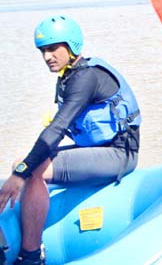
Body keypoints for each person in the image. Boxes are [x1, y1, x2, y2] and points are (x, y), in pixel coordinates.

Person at [0, 16, 141, 265]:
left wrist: (22, 173)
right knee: (22, 163)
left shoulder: (86, 77)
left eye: (53, 48)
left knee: (31, 168)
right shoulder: (69, 76)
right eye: (43, 50)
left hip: (118, 155)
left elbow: (58, 127)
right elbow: (58, 129)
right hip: (97, 151)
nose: (47, 56)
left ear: (72, 45)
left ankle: (31, 255)